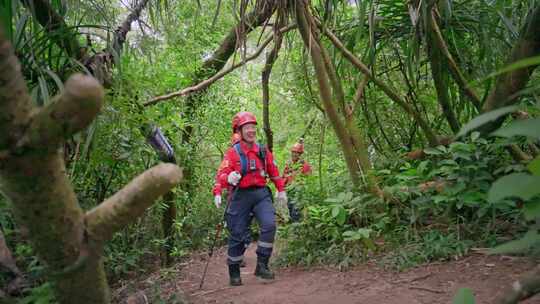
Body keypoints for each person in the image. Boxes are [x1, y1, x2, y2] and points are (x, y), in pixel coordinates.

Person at [213, 111, 287, 286]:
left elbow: (273, 171)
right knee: (237, 233)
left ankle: (262, 265)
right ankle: (234, 270)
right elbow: (221, 174)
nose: (251, 130)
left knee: (269, 225)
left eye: (253, 127)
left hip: (261, 194)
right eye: (247, 127)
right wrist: (226, 180)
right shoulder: (232, 153)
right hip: (240, 196)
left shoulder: (262, 150)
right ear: (240, 130)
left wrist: (281, 190)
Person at [282, 140, 312, 222]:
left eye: (297, 153)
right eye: (293, 152)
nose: (294, 154)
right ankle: (292, 227)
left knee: (296, 212)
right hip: (289, 192)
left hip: (299, 193)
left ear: (300, 154)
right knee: (290, 210)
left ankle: (296, 230)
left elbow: (308, 179)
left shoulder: (305, 166)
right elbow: (283, 177)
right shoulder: (289, 165)